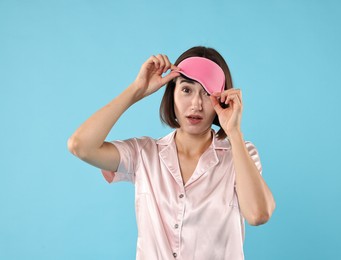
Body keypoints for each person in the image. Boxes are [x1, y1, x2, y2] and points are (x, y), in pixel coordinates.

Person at [68, 46, 276, 260]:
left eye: (207, 93)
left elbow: (258, 214)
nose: (196, 104)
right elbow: (80, 145)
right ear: (172, 94)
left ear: (221, 100)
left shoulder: (240, 153)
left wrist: (234, 132)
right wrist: (136, 90)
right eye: (186, 90)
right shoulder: (144, 154)